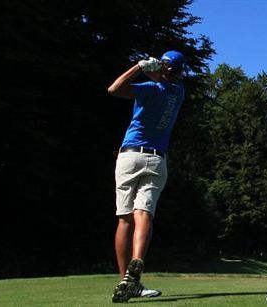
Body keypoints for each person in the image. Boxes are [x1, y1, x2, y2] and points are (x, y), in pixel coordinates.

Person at [106, 50, 187, 303]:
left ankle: (126, 281)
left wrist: (138, 66)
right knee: (144, 214)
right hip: (156, 159)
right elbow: (164, 77)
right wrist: (154, 70)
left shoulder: (149, 89)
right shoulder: (178, 92)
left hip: (129, 156)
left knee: (124, 220)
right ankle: (136, 269)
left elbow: (114, 89)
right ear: (180, 71)